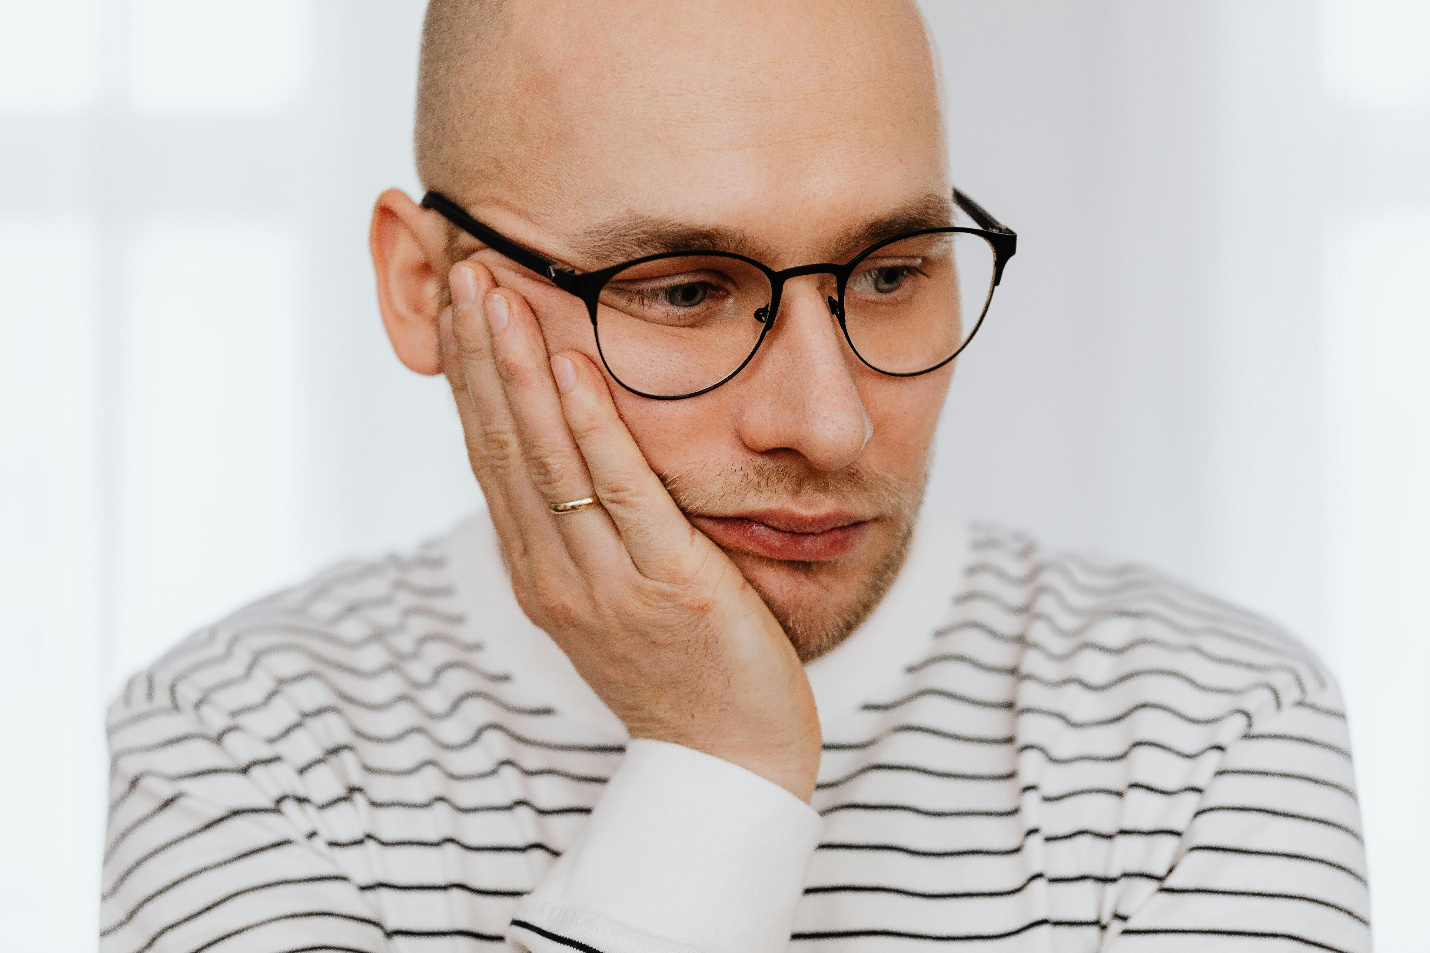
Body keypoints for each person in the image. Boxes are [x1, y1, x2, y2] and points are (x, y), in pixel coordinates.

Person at [99, 1, 1370, 951]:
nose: (827, 424)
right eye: (685, 291)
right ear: (425, 290)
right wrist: (718, 763)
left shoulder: (1204, 733)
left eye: (888, 271)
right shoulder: (243, 744)